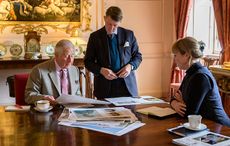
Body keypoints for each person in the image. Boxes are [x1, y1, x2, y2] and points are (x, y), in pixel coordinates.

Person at [84, 6, 142, 99]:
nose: (111, 28)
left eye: (115, 25)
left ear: (120, 22)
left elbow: (137, 56)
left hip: (127, 87)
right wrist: (101, 70)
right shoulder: (95, 37)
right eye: (108, 24)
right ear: (104, 18)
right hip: (104, 87)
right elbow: (88, 62)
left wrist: (130, 67)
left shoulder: (129, 34)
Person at [170, 37, 230, 126]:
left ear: (186, 55)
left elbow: (190, 113)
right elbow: (174, 97)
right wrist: (175, 103)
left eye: (175, 55)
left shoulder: (200, 77)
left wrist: (181, 102)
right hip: (202, 125)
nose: (174, 58)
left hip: (218, 126)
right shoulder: (191, 73)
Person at [25, 39, 81, 105]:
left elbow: (77, 94)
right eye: (66, 56)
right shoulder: (38, 70)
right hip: (50, 111)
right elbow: (29, 96)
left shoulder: (75, 70)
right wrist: (44, 98)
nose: (70, 60)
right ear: (56, 55)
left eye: (72, 55)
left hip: (71, 111)